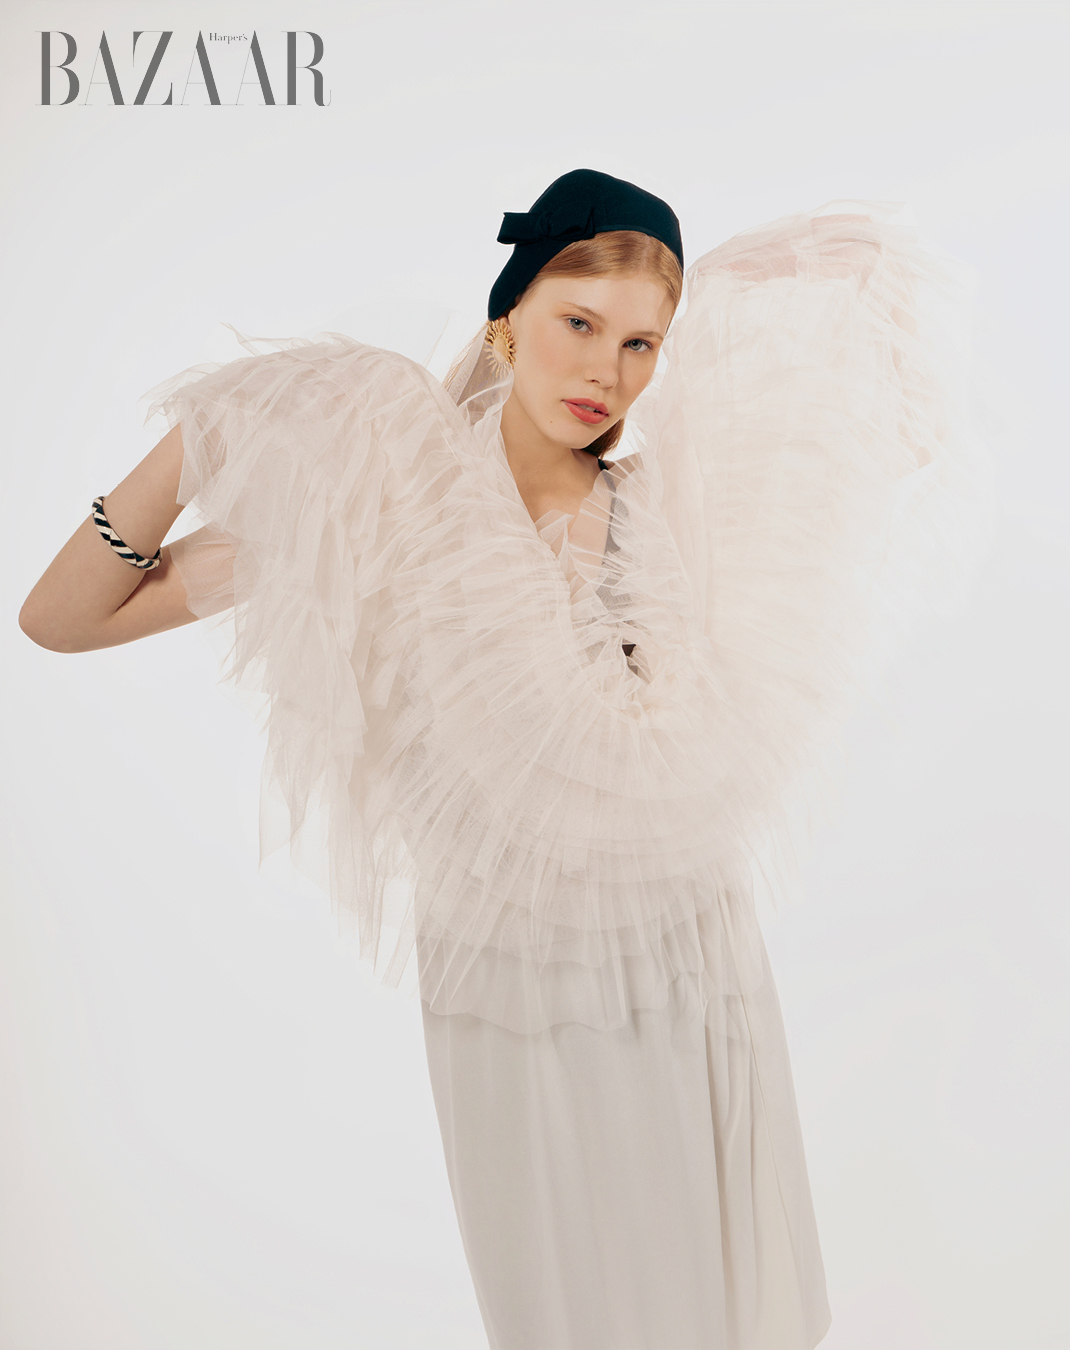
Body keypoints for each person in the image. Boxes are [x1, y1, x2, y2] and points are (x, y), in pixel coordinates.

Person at [19, 169, 982, 1349]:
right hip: (516, 994)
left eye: (641, 344)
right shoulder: (382, 512)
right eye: (579, 322)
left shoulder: (661, 512)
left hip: (688, 962)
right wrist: (205, 437)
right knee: (573, 1312)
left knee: (718, 1313)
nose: (606, 371)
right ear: (509, 315)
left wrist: (746, 284)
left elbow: (894, 430)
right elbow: (62, 617)